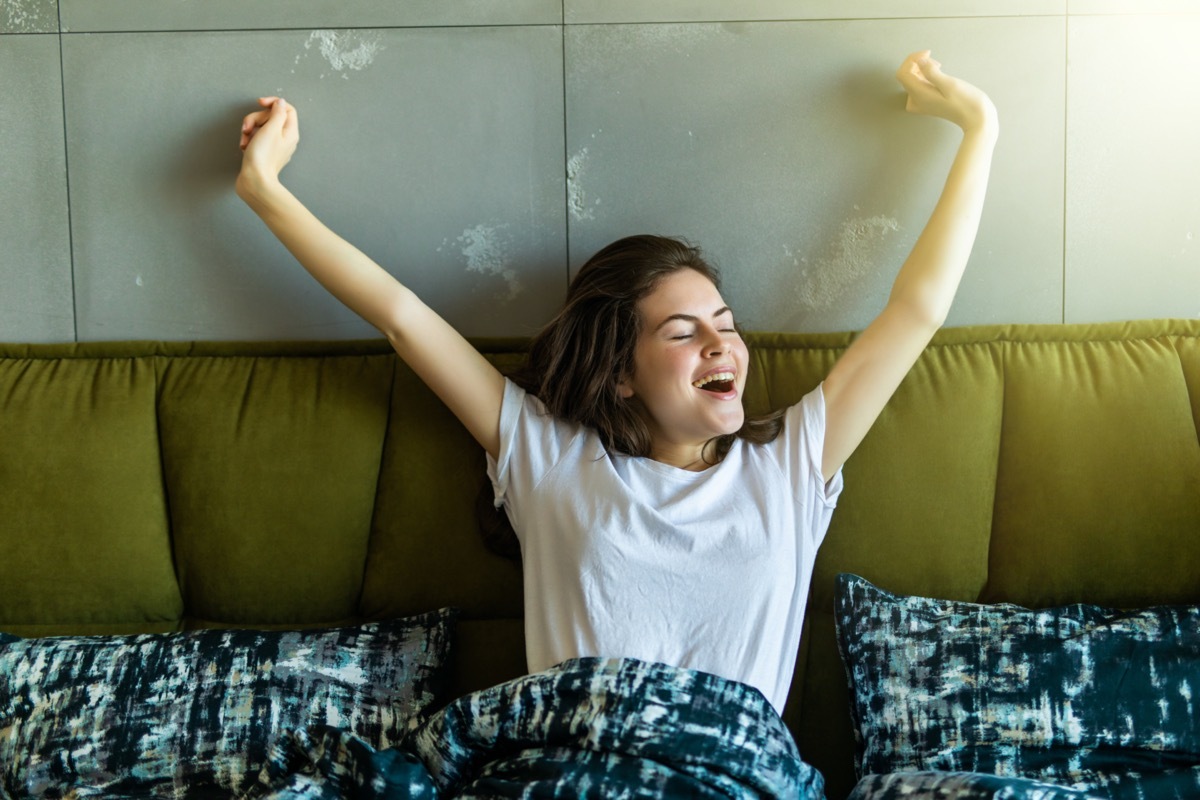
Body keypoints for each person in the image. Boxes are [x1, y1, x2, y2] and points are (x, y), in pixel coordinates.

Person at [236, 50, 998, 715]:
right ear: (621, 376)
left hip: (732, 773)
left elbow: (917, 310)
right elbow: (404, 319)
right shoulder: (549, 459)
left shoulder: (791, 466)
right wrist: (266, 191)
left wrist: (980, 128)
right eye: (682, 331)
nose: (720, 344)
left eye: (725, 324)